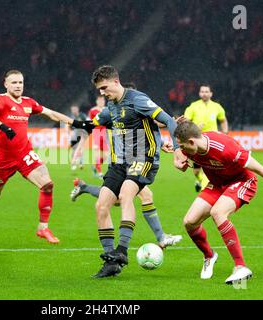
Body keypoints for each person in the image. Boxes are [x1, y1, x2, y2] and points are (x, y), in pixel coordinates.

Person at [71, 65, 185, 278]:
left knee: (126, 195)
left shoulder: (138, 99)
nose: (102, 93)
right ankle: (111, 262)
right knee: (102, 205)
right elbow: (88, 125)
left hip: (144, 159)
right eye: (99, 90)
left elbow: (168, 120)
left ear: (116, 81)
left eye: (104, 87)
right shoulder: (110, 108)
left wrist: (177, 150)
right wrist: (56, 117)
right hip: (119, 163)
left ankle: (122, 250)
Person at [173, 119, 263, 284]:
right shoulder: (190, 147)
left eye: (183, 146)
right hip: (217, 184)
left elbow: (259, 168)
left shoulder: (227, 148)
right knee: (189, 222)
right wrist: (176, 160)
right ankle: (209, 256)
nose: (181, 150)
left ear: (192, 141)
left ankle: (240, 267)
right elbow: (178, 151)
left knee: (218, 212)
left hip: (242, 181)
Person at [0, 70, 75, 244]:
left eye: (20, 82)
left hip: (24, 153)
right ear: (6, 84)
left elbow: (51, 113)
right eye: (14, 83)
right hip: (4, 158)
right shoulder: (1, 100)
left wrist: (76, 123)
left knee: (47, 185)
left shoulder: (28, 102)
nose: (18, 86)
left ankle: (43, 228)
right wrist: (3, 126)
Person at [184, 84, 229, 192]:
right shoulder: (193, 106)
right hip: (196, 141)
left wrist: (225, 133)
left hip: (212, 141)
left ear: (211, 93)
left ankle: (207, 191)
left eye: (206, 91)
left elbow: (223, 120)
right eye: (202, 91)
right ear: (199, 93)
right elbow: (185, 122)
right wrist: (195, 128)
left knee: (209, 167)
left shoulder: (217, 106)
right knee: (196, 171)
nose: (204, 93)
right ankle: (200, 180)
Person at [88, 95, 108, 179]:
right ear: (97, 101)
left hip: (104, 133)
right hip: (96, 133)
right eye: (99, 100)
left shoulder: (107, 109)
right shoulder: (93, 110)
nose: (101, 102)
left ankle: (95, 166)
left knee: (106, 155)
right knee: (97, 153)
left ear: (104, 101)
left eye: (102, 100)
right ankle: (99, 172)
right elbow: (91, 123)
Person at [69, 104, 88, 171]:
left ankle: (80, 163)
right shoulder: (71, 117)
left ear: (77, 109)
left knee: (80, 148)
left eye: (74, 109)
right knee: (75, 149)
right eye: (72, 109)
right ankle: (74, 163)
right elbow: (70, 127)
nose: (73, 110)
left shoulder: (82, 115)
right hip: (74, 134)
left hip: (82, 133)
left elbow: (87, 122)